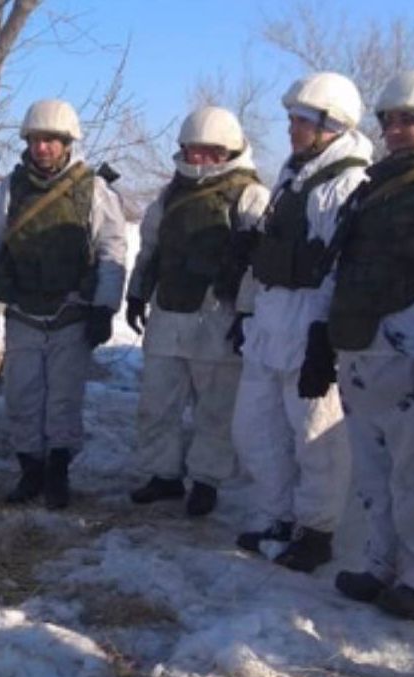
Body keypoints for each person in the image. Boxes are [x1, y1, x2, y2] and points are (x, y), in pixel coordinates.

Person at [317, 70, 414, 620]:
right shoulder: (373, 192)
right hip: (364, 350)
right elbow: (340, 266)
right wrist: (319, 335)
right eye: (390, 120)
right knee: (373, 468)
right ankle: (381, 562)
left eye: (409, 120)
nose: (395, 129)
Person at [231, 73, 369, 572]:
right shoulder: (293, 175)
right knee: (256, 428)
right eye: (292, 119)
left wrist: (323, 338)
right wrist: (246, 309)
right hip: (271, 319)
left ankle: (317, 529)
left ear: (330, 124)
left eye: (301, 121)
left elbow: (339, 267)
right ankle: (276, 515)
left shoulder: (344, 183)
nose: (291, 128)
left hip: (308, 321)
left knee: (317, 436)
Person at [0, 99, 128, 510]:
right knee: (22, 397)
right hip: (23, 310)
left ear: (66, 143)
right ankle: (30, 472)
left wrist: (104, 308)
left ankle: (58, 473)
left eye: (51, 141)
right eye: (36, 140)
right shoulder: (10, 189)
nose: (42, 148)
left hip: (71, 311)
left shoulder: (91, 189)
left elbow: (111, 250)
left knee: (63, 399)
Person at [125, 107, 270, 516]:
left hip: (218, 315)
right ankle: (163, 474)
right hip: (169, 312)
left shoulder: (249, 194)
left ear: (229, 151)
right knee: (158, 402)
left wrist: (246, 313)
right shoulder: (170, 194)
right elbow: (150, 248)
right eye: (193, 150)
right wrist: (137, 293)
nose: (200, 159)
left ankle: (207, 480)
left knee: (216, 408)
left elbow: (259, 261)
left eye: (210, 152)